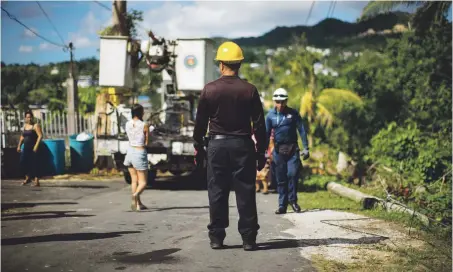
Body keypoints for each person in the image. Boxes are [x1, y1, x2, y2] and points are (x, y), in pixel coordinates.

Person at [193, 41, 267, 251]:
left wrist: (198, 146)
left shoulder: (209, 90)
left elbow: (200, 123)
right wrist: (261, 151)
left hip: (217, 146)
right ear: (239, 64)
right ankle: (249, 239)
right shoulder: (250, 90)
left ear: (221, 64)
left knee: (217, 192)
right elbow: (259, 124)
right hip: (243, 145)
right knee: (246, 192)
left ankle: (217, 238)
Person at [265, 88, 310, 214]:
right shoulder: (270, 116)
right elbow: (266, 134)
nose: (280, 104)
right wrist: (264, 152)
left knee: (293, 174)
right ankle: (282, 205)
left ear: (286, 101)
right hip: (278, 151)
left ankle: (293, 201)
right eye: (278, 102)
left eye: (283, 101)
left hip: (292, 150)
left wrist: (306, 148)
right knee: (281, 179)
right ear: (274, 101)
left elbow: (301, 130)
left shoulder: (293, 114)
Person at [123, 104, 149, 211]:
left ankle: (138, 204)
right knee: (143, 182)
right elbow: (146, 142)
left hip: (129, 152)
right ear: (140, 113)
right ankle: (135, 195)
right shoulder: (144, 125)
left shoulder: (127, 124)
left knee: (134, 180)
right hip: (139, 152)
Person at [17, 110, 43, 187]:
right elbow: (22, 137)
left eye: (30, 117)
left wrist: (36, 146)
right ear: (25, 118)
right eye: (28, 117)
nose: (29, 119)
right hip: (26, 147)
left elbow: (40, 136)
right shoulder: (25, 126)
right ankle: (27, 178)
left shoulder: (35, 125)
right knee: (23, 162)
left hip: (33, 147)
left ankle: (36, 181)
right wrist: (19, 145)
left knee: (34, 163)